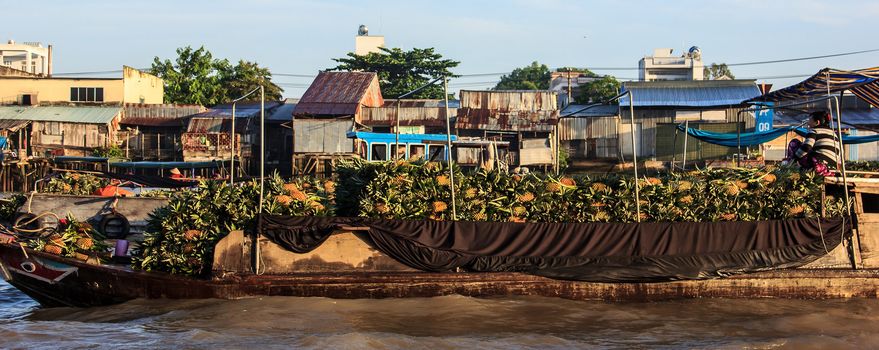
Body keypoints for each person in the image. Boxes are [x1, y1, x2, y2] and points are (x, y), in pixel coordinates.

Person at [786, 111, 840, 176]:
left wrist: (794, 159)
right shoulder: (834, 134)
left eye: (810, 121)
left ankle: (789, 166)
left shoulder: (814, 131)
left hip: (818, 165)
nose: (808, 123)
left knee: (794, 143)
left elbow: (807, 147)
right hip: (832, 168)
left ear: (817, 122)